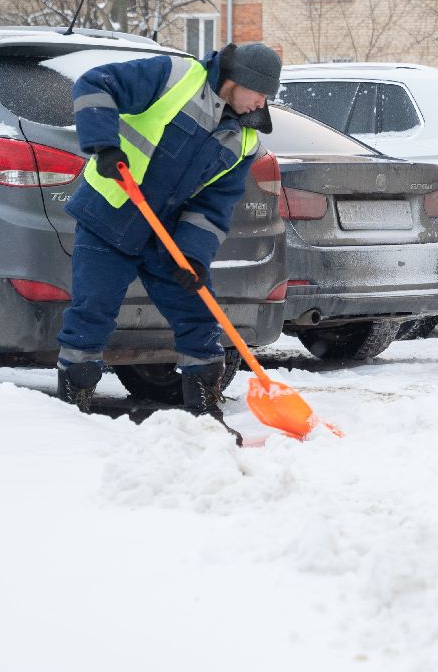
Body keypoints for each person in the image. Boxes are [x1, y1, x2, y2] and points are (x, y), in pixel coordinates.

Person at [54, 41, 282, 433]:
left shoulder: (244, 142)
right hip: (111, 215)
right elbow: (97, 84)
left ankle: (206, 417)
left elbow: (213, 208)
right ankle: (73, 415)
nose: (261, 105)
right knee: (92, 313)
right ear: (237, 80)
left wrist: (193, 256)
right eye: (259, 93)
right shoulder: (175, 77)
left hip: (167, 237)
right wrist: (103, 143)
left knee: (198, 317)